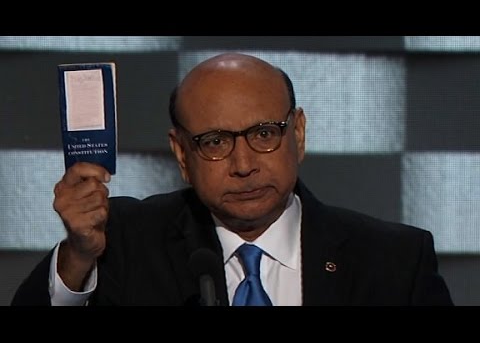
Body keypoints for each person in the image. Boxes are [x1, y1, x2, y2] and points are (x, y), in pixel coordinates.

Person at [11, 52, 453, 306]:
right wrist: (77, 259)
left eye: (263, 134)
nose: (243, 164)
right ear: (182, 154)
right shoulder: (124, 241)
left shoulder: (395, 261)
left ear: (296, 134)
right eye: (215, 141)